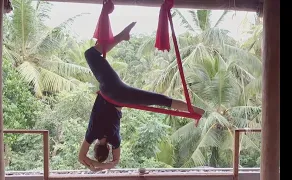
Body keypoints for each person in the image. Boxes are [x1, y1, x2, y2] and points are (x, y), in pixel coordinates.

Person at [78, 22, 205, 171]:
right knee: (90, 54)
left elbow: (116, 160)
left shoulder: (115, 140)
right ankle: (121, 36)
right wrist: (95, 166)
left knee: (161, 100)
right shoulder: (92, 133)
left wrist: (106, 165)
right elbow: (81, 158)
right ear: (95, 146)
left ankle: (197, 111)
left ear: (108, 148)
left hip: (122, 98)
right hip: (110, 90)